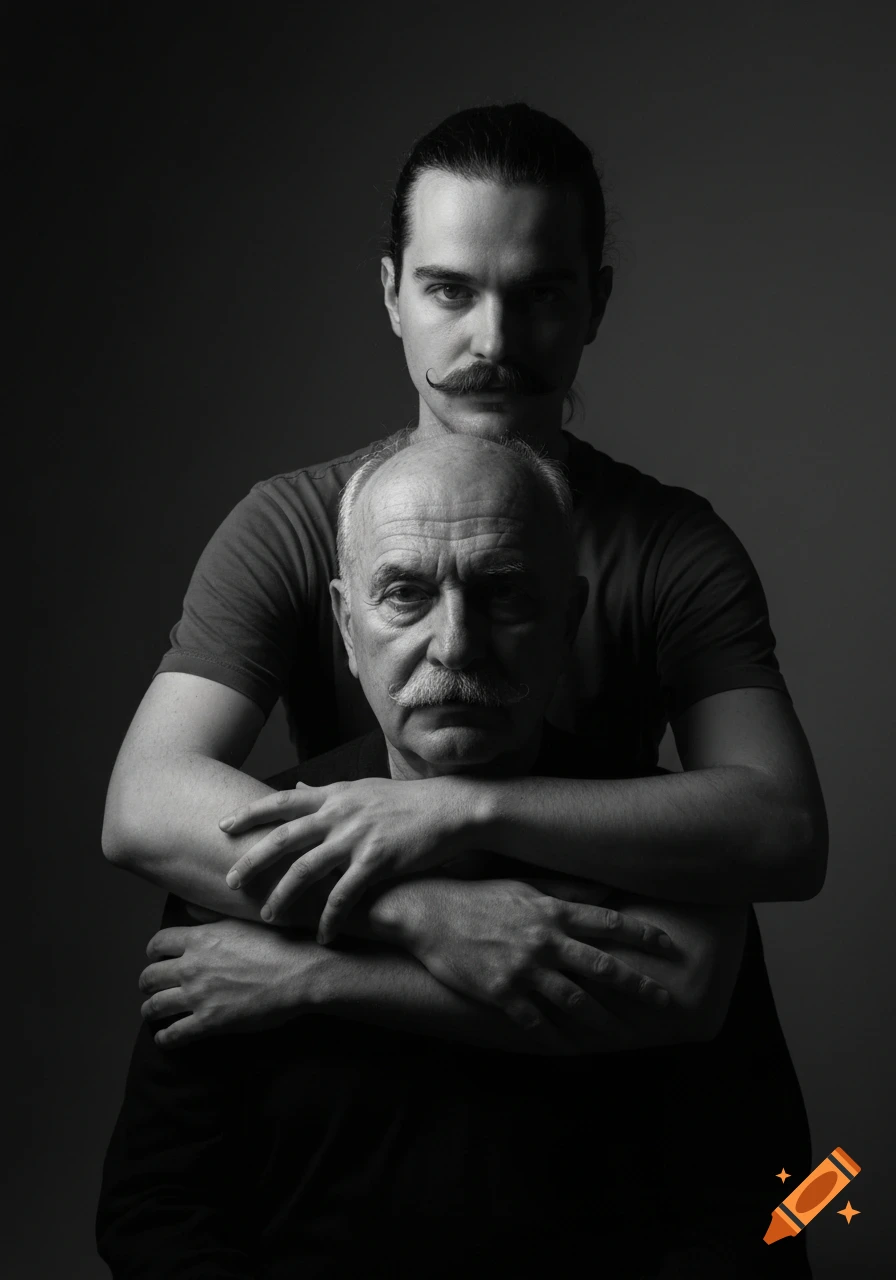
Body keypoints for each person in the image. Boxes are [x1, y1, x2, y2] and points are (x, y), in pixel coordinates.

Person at [97, 435, 805, 1277]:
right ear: (344, 627)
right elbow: (151, 1212)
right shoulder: (241, 846)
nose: (456, 644)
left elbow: (796, 1194)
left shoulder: (672, 845)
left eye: (503, 595)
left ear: (568, 622)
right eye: (404, 595)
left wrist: (321, 974)